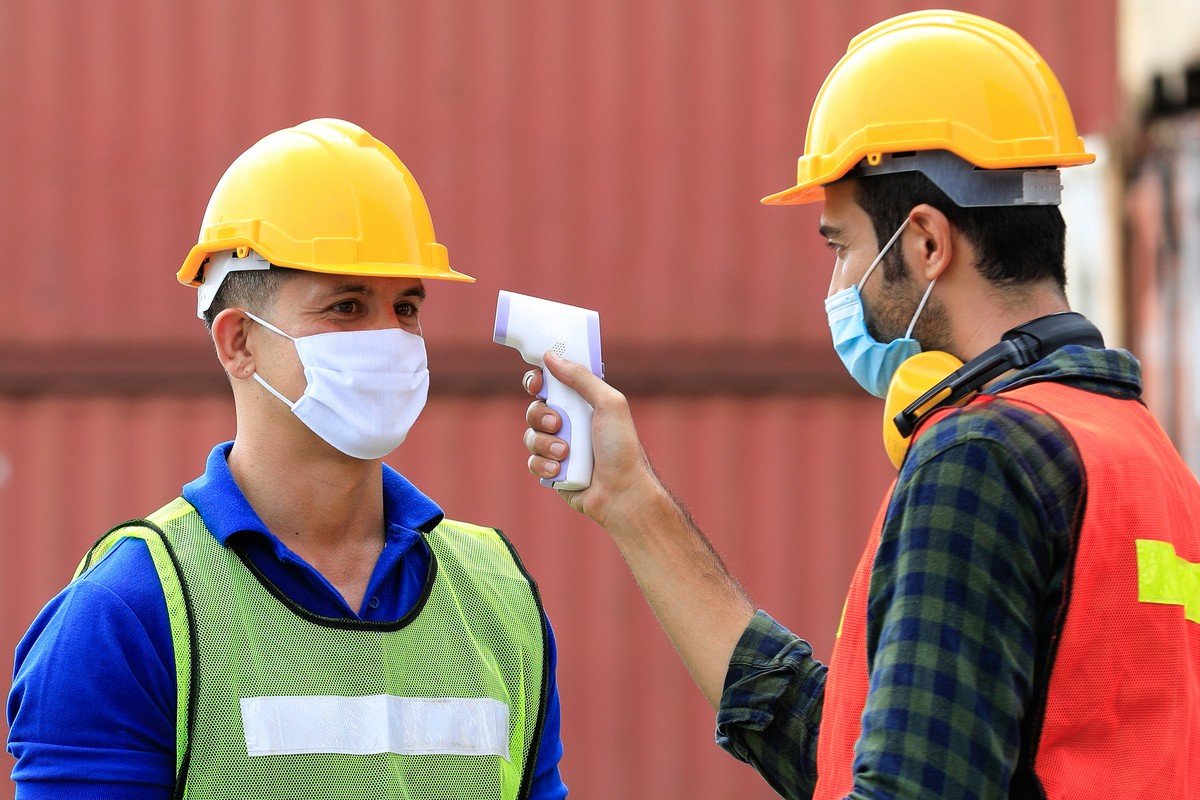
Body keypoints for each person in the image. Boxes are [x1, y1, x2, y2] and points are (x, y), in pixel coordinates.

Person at [518, 10, 1199, 800]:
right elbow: (877, 749)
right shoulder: (1147, 462)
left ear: (926, 243)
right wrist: (632, 502)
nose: (838, 288)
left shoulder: (979, 458)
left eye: (841, 247)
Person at [8, 118, 567, 800]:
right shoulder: (128, 613)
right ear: (238, 341)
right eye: (347, 306)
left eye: (408, 306)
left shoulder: (500, 599)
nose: (389, 339)